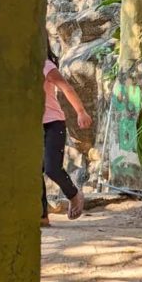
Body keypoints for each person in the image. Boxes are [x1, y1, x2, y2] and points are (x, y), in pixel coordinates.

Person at [42, 48, 92, 224]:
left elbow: (66, 87)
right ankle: (42, 216)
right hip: (32, 126)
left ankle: (74, 194)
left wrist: (81, 112)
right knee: (33, 171)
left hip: (53, 124)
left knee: (52, 168)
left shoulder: (46, 66)